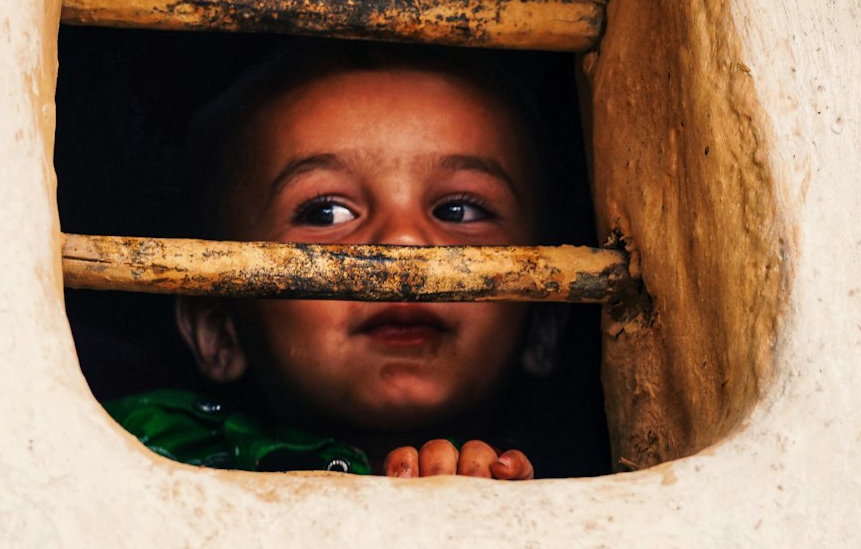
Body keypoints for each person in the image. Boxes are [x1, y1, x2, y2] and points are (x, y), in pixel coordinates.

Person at [105, 42, 606, 478]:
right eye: (326, 212)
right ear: (219, 329)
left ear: (542, 321)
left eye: (459, 209)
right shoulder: (140, 454)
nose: (403, 245)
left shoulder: (593, 498)